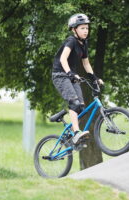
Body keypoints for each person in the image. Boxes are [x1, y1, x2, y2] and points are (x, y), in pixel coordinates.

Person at [52, 13, 104, 144]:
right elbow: (63, 58)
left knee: (81, 107)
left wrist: (94, 78)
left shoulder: (84, 43)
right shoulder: (71, 41)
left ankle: (72, 135)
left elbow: (86, 63)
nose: (86, 31)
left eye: (87, 28)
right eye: (82, 28)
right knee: (74, 103)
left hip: (71, 76)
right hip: (60, 75)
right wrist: (69, 73)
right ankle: (76, 132)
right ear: (74, 29)